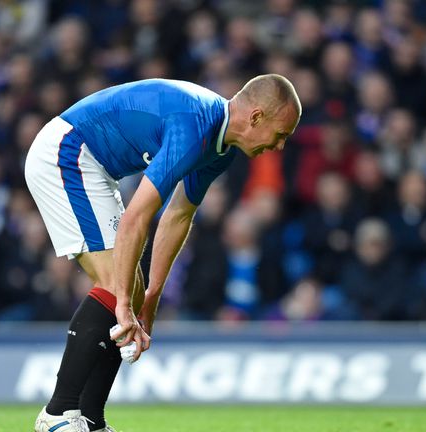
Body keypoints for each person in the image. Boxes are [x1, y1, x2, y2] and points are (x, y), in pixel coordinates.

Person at [25, 75, 301, 432]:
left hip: (91, 163)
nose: (279, 147)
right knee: (115, 284)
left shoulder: (218, 148)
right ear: (257, 117)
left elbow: (177, 215)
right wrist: (123, 301)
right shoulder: (193, 128)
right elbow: (136, 218)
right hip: (66, 152)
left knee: (128, 286)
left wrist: (149, 297)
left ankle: (91, 421)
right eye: (281, 135)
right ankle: (57, 414)